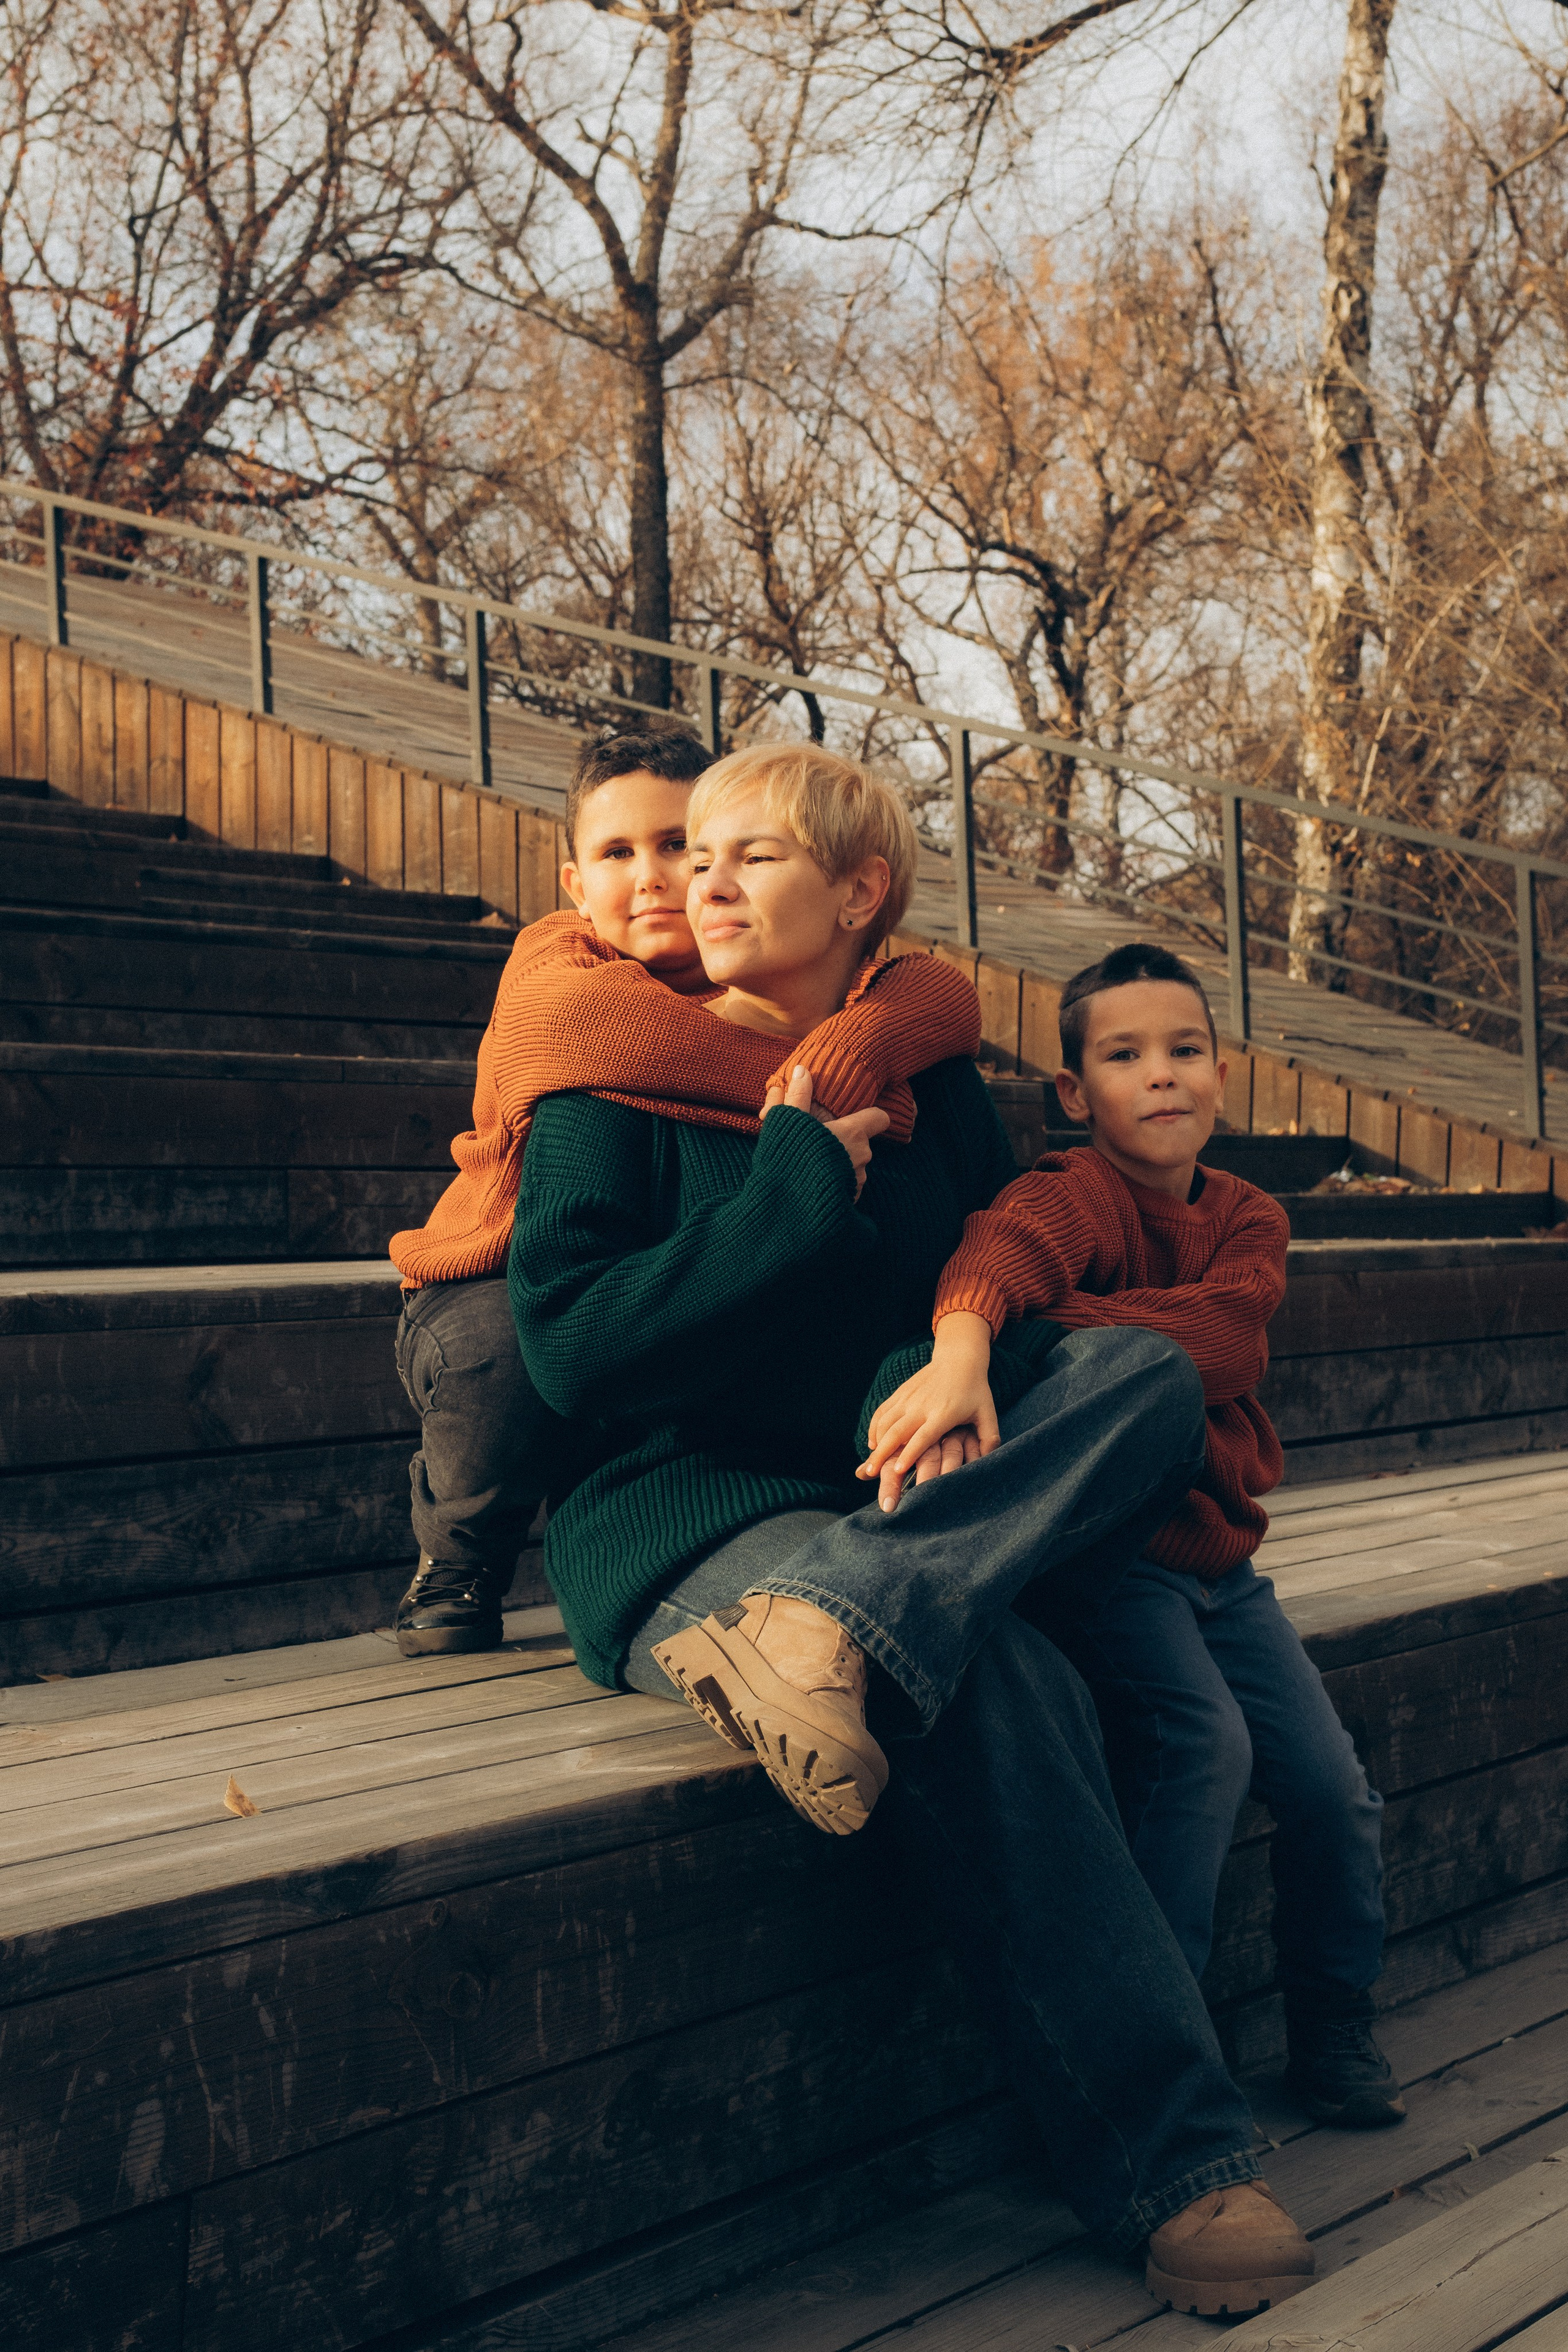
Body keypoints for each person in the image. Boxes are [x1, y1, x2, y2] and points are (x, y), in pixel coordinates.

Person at [510, 749, 1317, 2321]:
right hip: (685, 1517)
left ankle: (848, 1615)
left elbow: (954, 1289)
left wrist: (934, 1371)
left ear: (858, 894)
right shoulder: (601, 1082)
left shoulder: (924, 1076)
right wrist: (791, 1181)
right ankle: (1177, 2161)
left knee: (1138, 1371)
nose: (701, 882)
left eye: (747, 857)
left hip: (873, 1508)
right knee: (991, 1682)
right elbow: (576, 1357)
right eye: (693, 855)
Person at [861, 939, 1401, 2133]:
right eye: (1122, 1056)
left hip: (1224, 1563)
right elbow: (996, 1263)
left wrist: (1063, 1325)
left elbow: (1223, 1347)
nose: (1158, 1075)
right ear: (1072, 1093)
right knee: (1198, 1749)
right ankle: (1161, 2051)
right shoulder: (1066, 1195)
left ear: (1220, 1075)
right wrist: (977, 1338)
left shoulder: (1245, 1215)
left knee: (1329, 1788)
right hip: (1117, 1565)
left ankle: (1332, 2022)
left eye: (1182, 1051)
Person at [386, 720, 978, 1656]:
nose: (667, 879)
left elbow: (939, 993)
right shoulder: (574, 985)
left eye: (682, 845)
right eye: (621, 853)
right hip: (479, 1267)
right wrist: (814, 1095)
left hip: (683, 1320)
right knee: (503, 1350)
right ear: (577, 888)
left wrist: (860, 1037)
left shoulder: (750, 972)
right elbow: (647, 1050)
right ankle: (461, 1556)